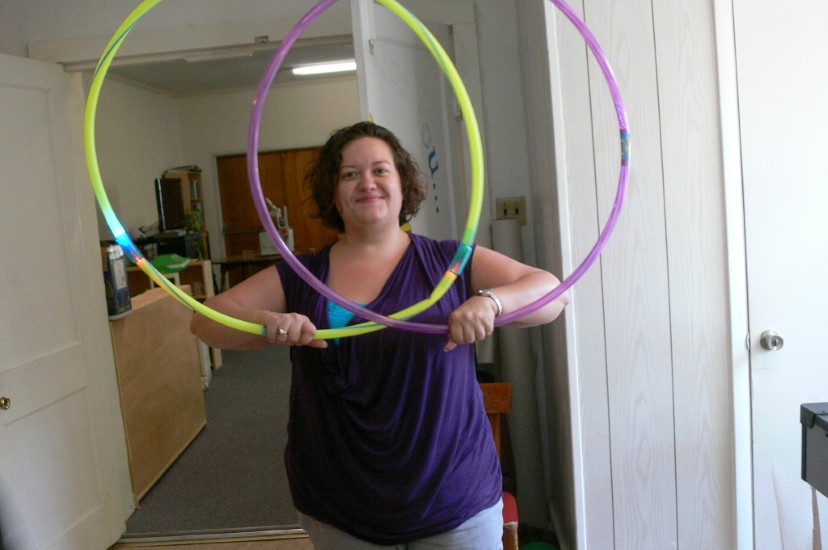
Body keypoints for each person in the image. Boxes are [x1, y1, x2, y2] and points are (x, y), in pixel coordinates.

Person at [191, 121, 569, 549]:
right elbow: (205, 320)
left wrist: (490, 302)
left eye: (380, 170)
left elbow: (553, 294)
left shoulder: (449, 260)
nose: (366, 182)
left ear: (403, 183)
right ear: (333, 193)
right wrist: (269, 322)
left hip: (453, 498)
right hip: (341, 506)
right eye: (350, 174)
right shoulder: (301, 274)